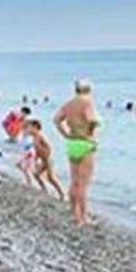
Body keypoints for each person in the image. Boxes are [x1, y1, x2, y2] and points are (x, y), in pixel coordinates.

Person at [53, 79, 101, 226]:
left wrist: (65, 134)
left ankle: (75, 213)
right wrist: (91, 135)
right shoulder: (87, 102)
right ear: (89, 90)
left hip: (72, 143)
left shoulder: (69, 104)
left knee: (74, 181)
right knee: (83, 184)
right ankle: (83, 218)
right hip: (85, 143)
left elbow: (56, 120)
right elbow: (91, 120)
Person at [21, 117, 62, 198]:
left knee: (51, 178)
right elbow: (36, 150)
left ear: (35, 128)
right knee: (36, 174)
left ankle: (61, 193)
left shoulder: (40, 137)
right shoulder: (33, 139)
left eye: (30, 128)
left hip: (47, 160)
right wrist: (36, 159)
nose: (28, 130)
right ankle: (44, 189)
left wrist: (46, 156)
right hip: (42, 160)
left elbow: (48, 147)